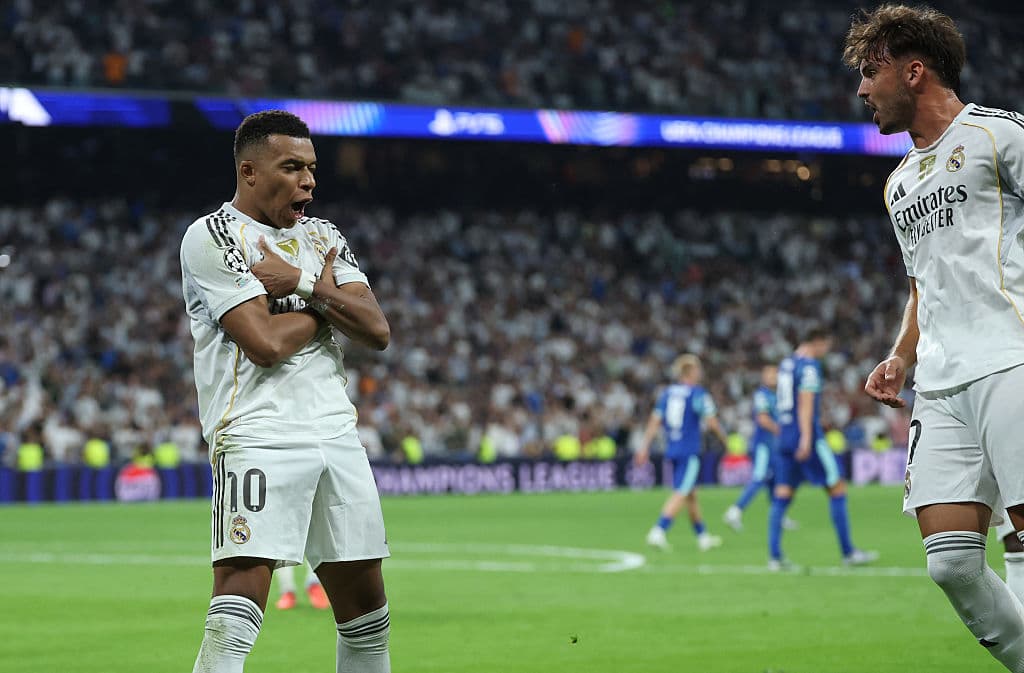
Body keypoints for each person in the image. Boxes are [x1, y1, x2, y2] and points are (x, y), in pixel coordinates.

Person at [180, 109, 392, 673]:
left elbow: (376, 330)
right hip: (258, 432)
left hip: (336, 434)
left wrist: (299, 285)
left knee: (368, 617)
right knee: (234, 617)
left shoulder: (322, 236)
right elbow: (265, 343)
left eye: (312, 168)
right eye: (292, 167)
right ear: (249, 173)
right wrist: (326, 303)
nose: (309, 181)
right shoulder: (214, 236)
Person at [848, 4, 1024, 670]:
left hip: (1013, 358)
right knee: (951, 562)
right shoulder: (899, 185)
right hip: (941, 385)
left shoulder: (997, 135)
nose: (863, 90)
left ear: (914, 71)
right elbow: (923, 282)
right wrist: (901, 353)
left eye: (872, 72)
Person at [768, 328, 877, 570]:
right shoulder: (808, 366)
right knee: (837, 486)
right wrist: (806, 437)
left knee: (783, 494)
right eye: (826, 345)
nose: (826, 351)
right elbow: (806, 403)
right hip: (806, 437)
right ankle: (848, 552)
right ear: (817, 342)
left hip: (785, 436)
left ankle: (774, 557)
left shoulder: (786, 364)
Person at [635, 354, 726, 552]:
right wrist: (725, 439)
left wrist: (644, 447)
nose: (700, 373)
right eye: (698, 369)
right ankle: (658, 530)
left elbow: (654, 422)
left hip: (673, 448)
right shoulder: (697, 394)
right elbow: (711, 421)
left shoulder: (667, 394)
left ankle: (703, 537)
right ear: (690, 372)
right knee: (682, 492)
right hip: (690, 450)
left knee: (691, 494)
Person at [724, 365, 787, 532]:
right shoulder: (762, 395)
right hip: (763, 445)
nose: (773, 377)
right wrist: (782, 431)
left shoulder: (777, 395)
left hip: (774, 446)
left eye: (775, 374)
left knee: (776, 481)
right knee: (759, 478)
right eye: (770, 374)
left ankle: (778, 515)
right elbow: (763, 420)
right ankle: (735, 511)